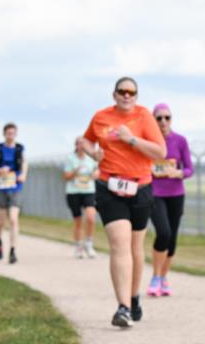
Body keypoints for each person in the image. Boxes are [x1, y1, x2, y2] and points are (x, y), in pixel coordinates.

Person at [81, 77, 166, 327]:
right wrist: (92, 152)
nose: (127, 95)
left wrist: (131, 139)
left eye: (132, 92)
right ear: (114, 94)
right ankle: (123, 308)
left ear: (136, 96)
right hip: (109, 186)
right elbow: (85, 140)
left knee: (135, 248)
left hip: (140, 187)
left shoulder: (144, 117)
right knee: (119, 243)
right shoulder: (101, 117)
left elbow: (160, 152)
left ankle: (133, 294)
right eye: (122, 91)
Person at [147, 103, 193, 297]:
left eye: (167, 117)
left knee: (172, 238)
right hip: (155, 194)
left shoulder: (180, 140)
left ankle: (164, 278)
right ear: (153, 120)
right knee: (163, 233)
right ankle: (155, 277)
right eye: (159, 118)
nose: (163, 121)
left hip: (176, 194)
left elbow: (190, 169)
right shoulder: (148, 142)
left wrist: (177, 172)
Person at [0, 123, 27, 263]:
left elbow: (25, 163)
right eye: (8, 133)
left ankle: (13, 250)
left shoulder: (20, 149)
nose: (10, 135)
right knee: (2, 220)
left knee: (14, 219)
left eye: (13, 133)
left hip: (15, 187)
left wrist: (23, 175)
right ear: (4, 134)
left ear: (16, 134)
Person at [64, 137, 99, 259]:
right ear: (76, 145)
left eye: (84, 144)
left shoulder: (92, 159)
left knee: (90, 217)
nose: (82, 146)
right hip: (74, 192)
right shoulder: (70, 158)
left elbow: (97, 171)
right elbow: (66, 176)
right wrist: (75, 171)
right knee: (78, 221)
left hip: (88, 191)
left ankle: (89, 243)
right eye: (80, 144)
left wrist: (95, 174)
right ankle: (78, 246)